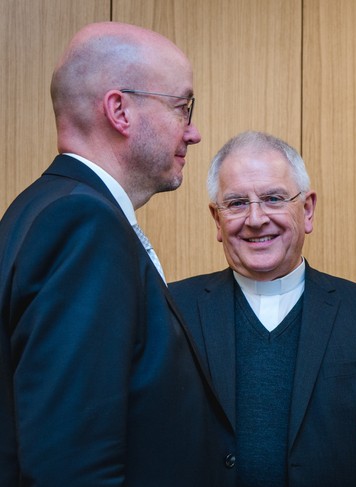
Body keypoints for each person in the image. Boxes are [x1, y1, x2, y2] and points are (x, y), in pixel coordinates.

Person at [0, 22, 235, 486]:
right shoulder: (83, 224)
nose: (194, 133)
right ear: (120, 111)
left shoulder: (40, 208)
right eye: (182, 107)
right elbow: (70, 467)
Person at [169, 130, 356, 486]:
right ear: (217, 220)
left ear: (307, 210)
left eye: (273, 198)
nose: (256, 219)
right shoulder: (172, 309)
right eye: (237, 203)